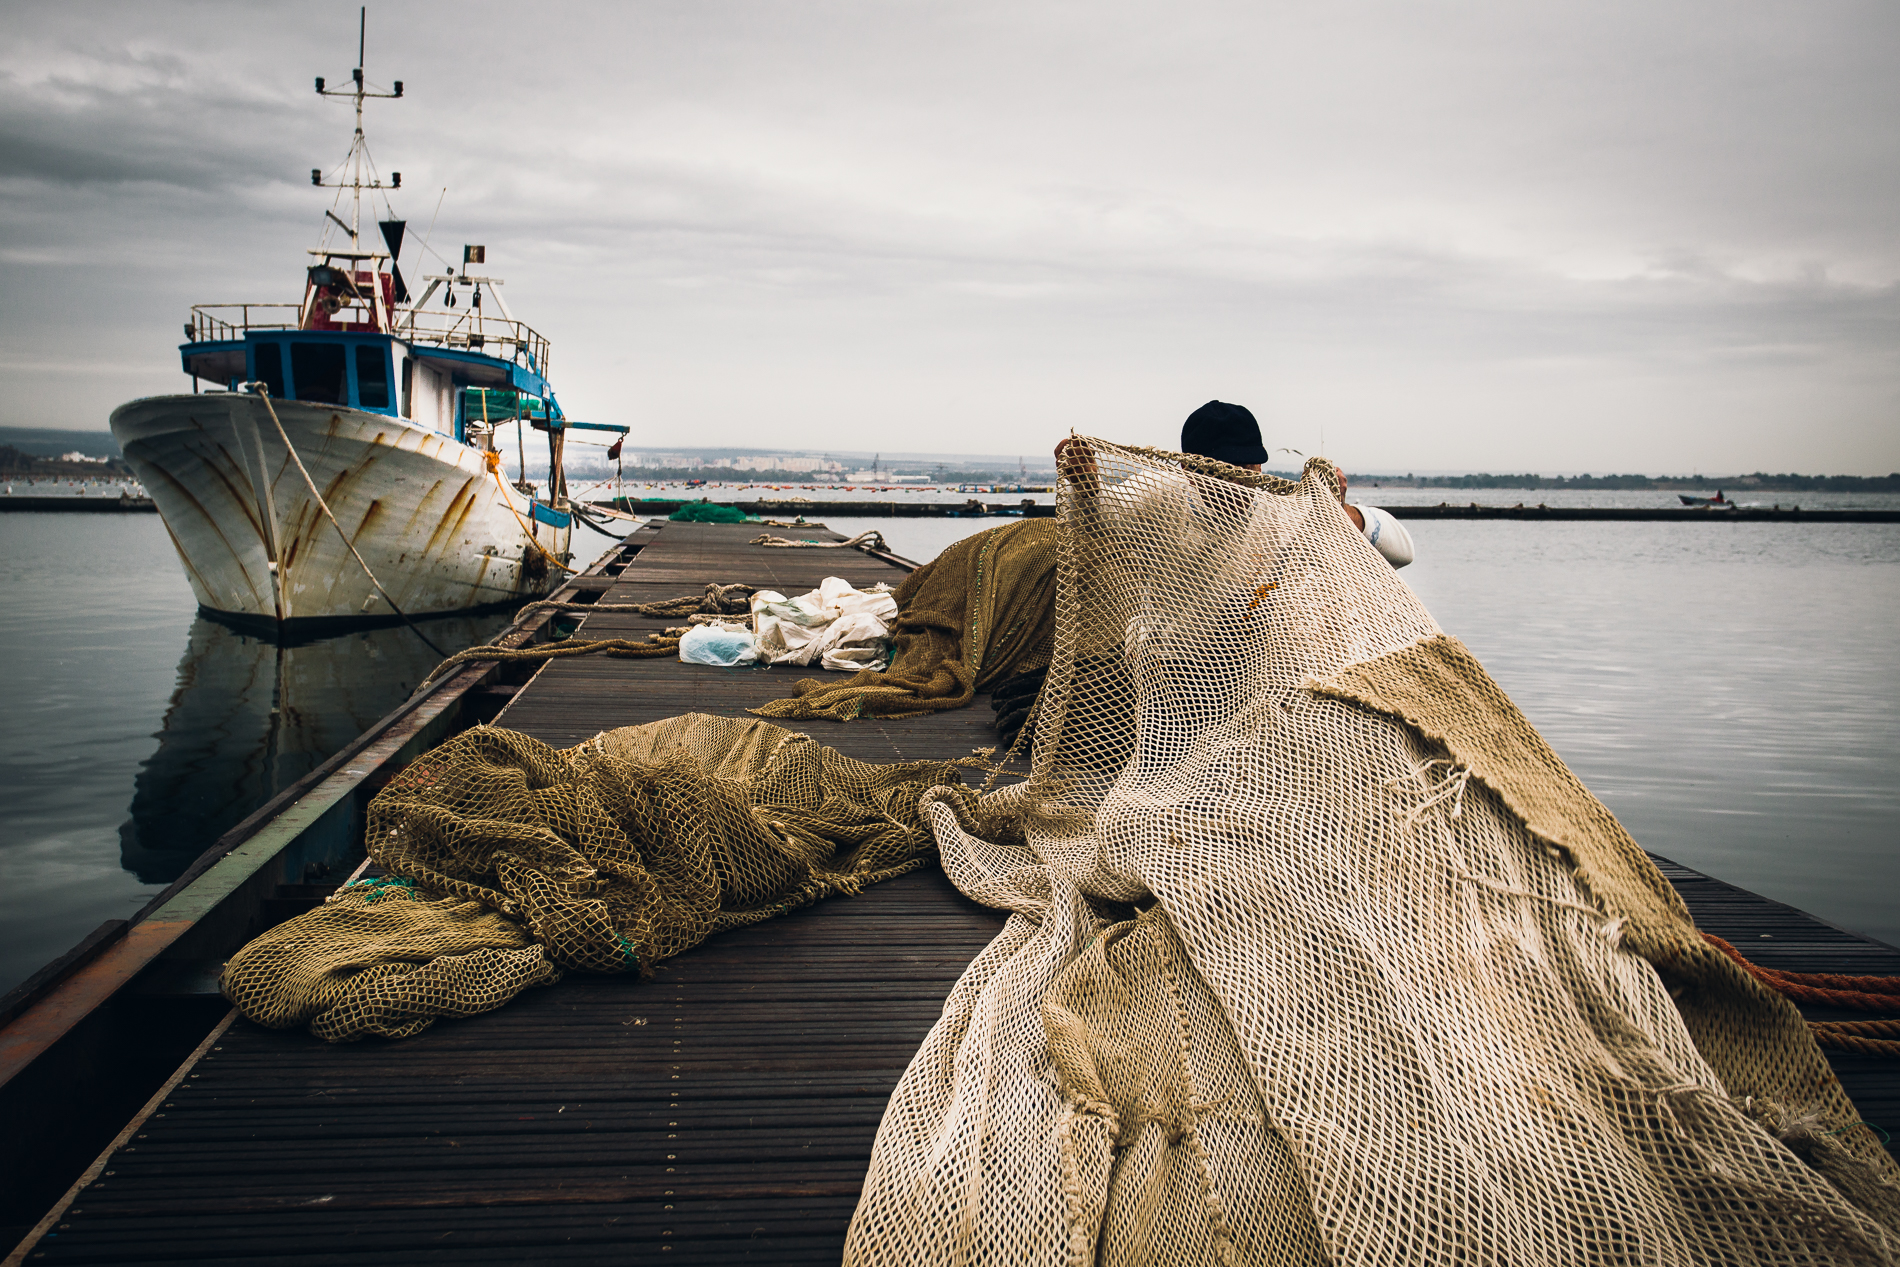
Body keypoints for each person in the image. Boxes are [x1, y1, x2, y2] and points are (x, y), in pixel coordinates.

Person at [1055, 401, 1414, 568]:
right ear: (1189, 468)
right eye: (1225, 468)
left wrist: (1346, 516)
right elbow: (1094, 518)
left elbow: (1403, 553)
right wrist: (1084, 483)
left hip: (1259, 660)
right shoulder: (1157, 493)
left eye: (1248, 465)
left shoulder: (1283, 510)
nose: (1240, 479)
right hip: (1170, 660)